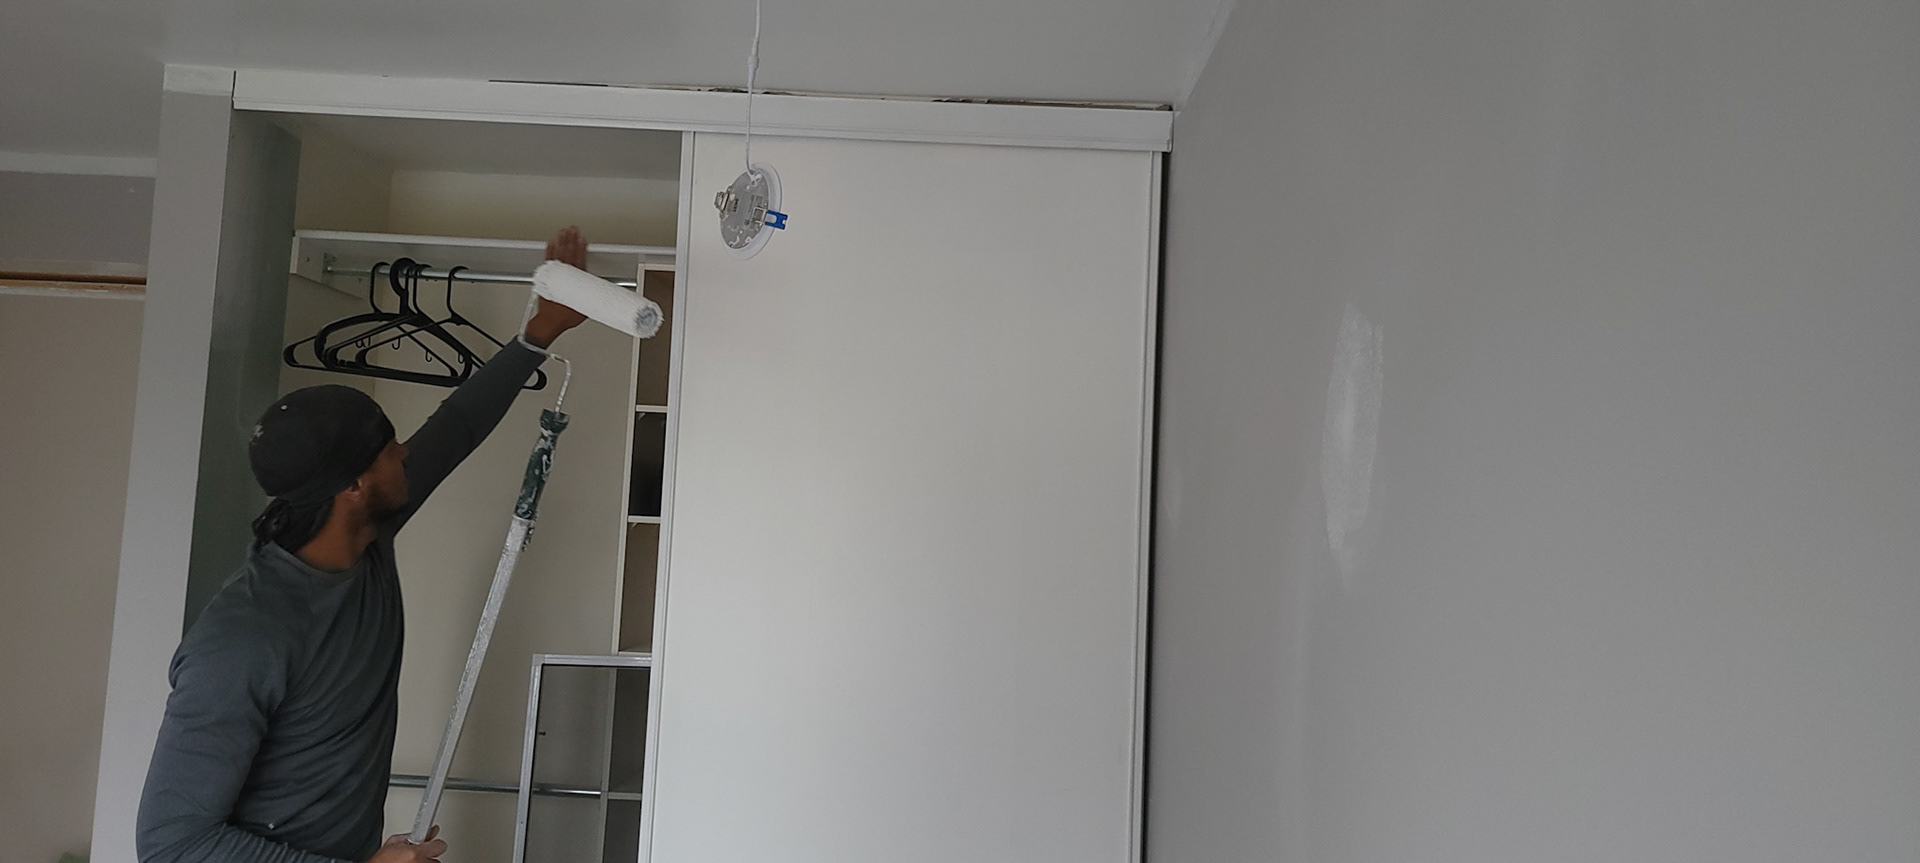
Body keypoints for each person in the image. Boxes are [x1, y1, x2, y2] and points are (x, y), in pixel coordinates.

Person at [135, 228, 595, 863]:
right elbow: (171, 845)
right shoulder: (244, 640)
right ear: (352, 486)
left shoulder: (364, 535)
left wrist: (540, 331)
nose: (406, 453)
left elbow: (456, 426)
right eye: (388, 450)